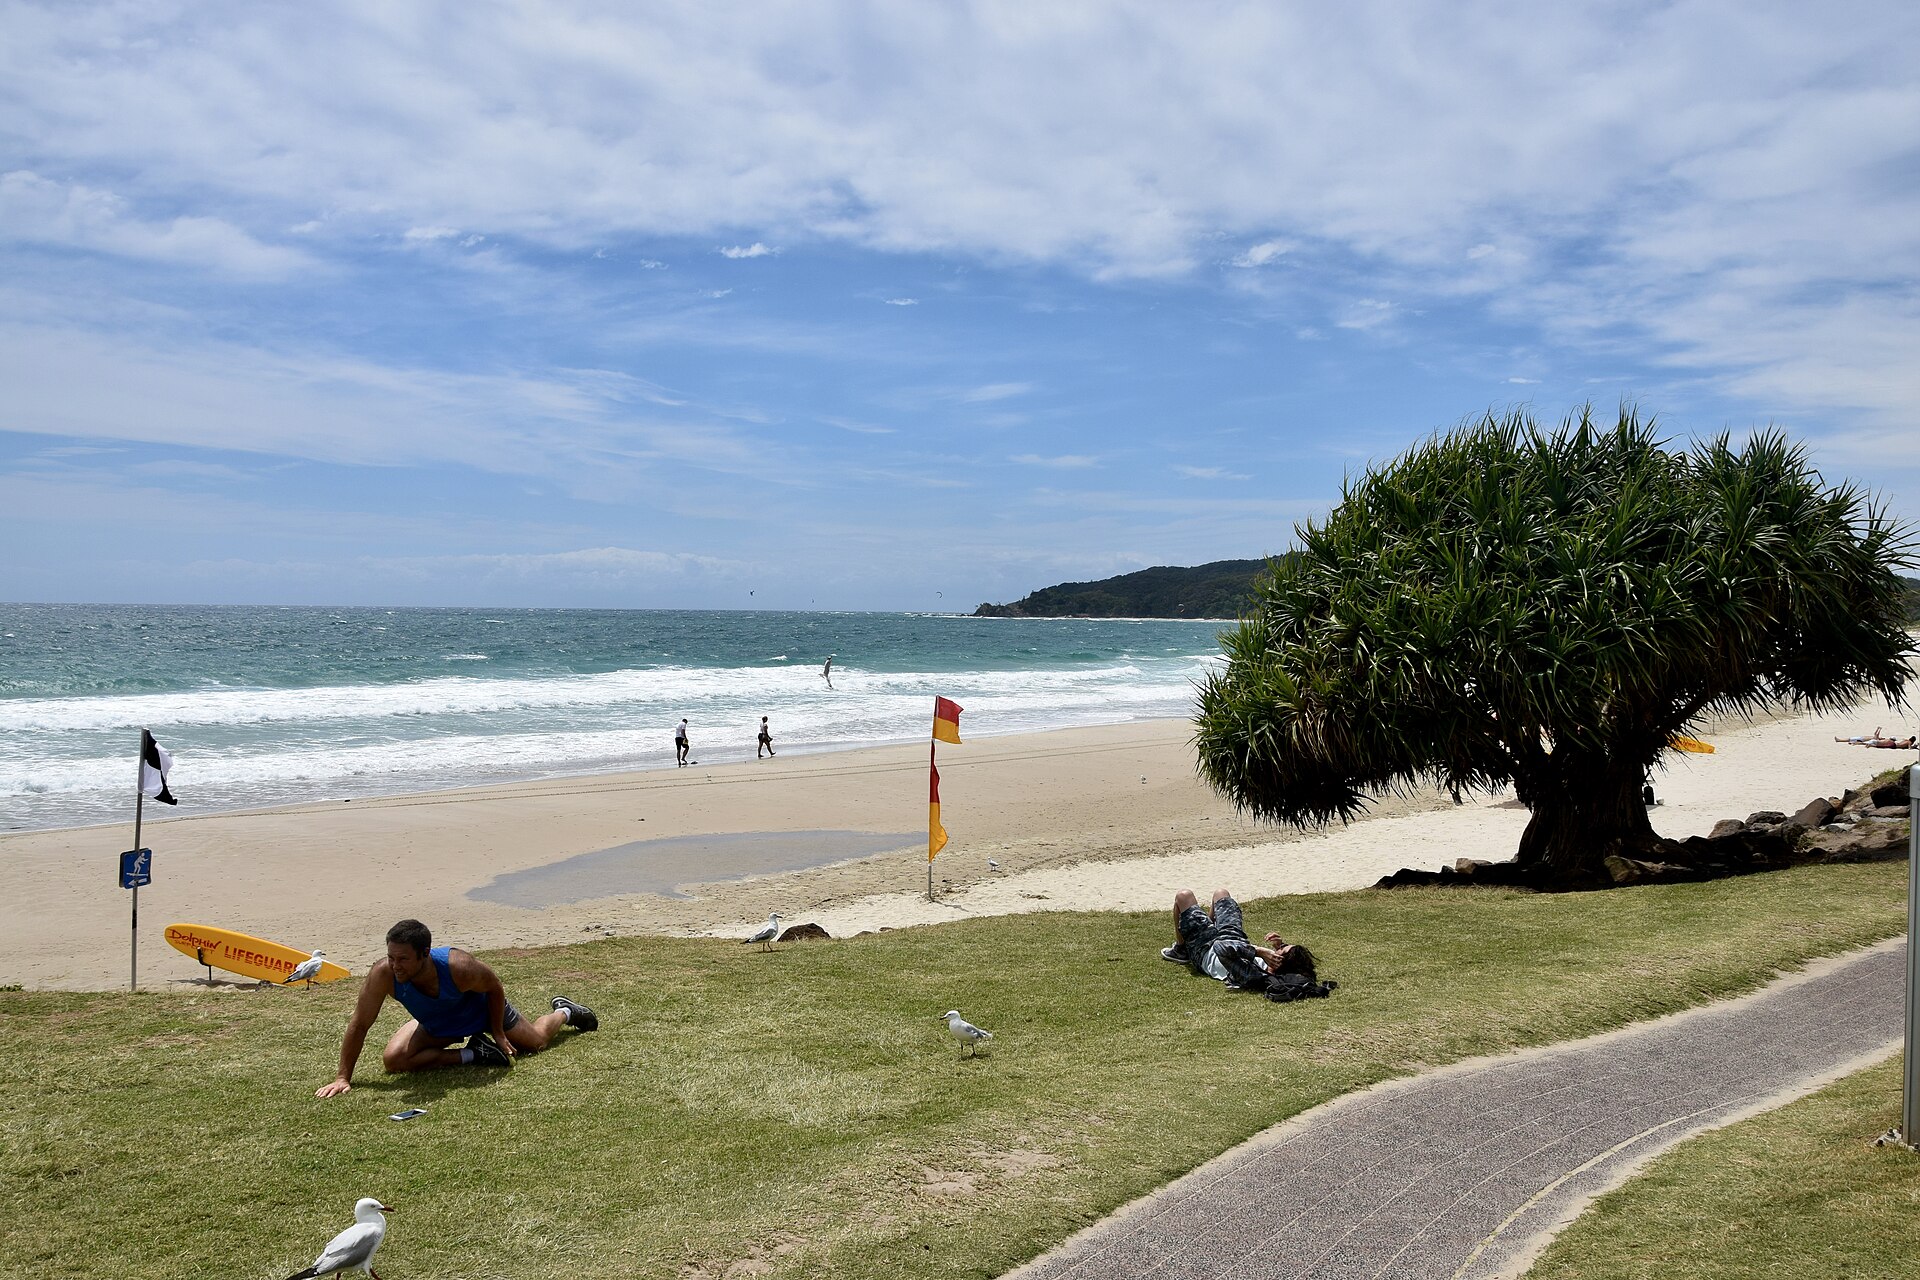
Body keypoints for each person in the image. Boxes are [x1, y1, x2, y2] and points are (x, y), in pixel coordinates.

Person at [314, 919, 598, 1098]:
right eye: (390, 957)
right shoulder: (383, 975)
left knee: (536, 1043)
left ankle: (565, 1011)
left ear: (425, 954)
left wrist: (499, 1032)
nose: (395, 966)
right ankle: (475, 1053)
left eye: (403, 959)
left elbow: (494, 987)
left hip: (484, 1011)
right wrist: (342, 1077)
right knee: (394, 1061)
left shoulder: (458, 966)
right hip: (439, 1024)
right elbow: (360, 1023)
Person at [1161, 888, 1319, 991]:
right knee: (1221, 894)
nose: (1275, 950)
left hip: (1205, 949)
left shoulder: (1254, 975)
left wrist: (1258, 951)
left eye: (1279, 950)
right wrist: (1279, 944)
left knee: (1183, 896)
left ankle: (1182, 950)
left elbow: (1221, 948)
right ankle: (1206, 926)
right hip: (1232, 936)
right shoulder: (1273, 962)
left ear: (1278, 962)